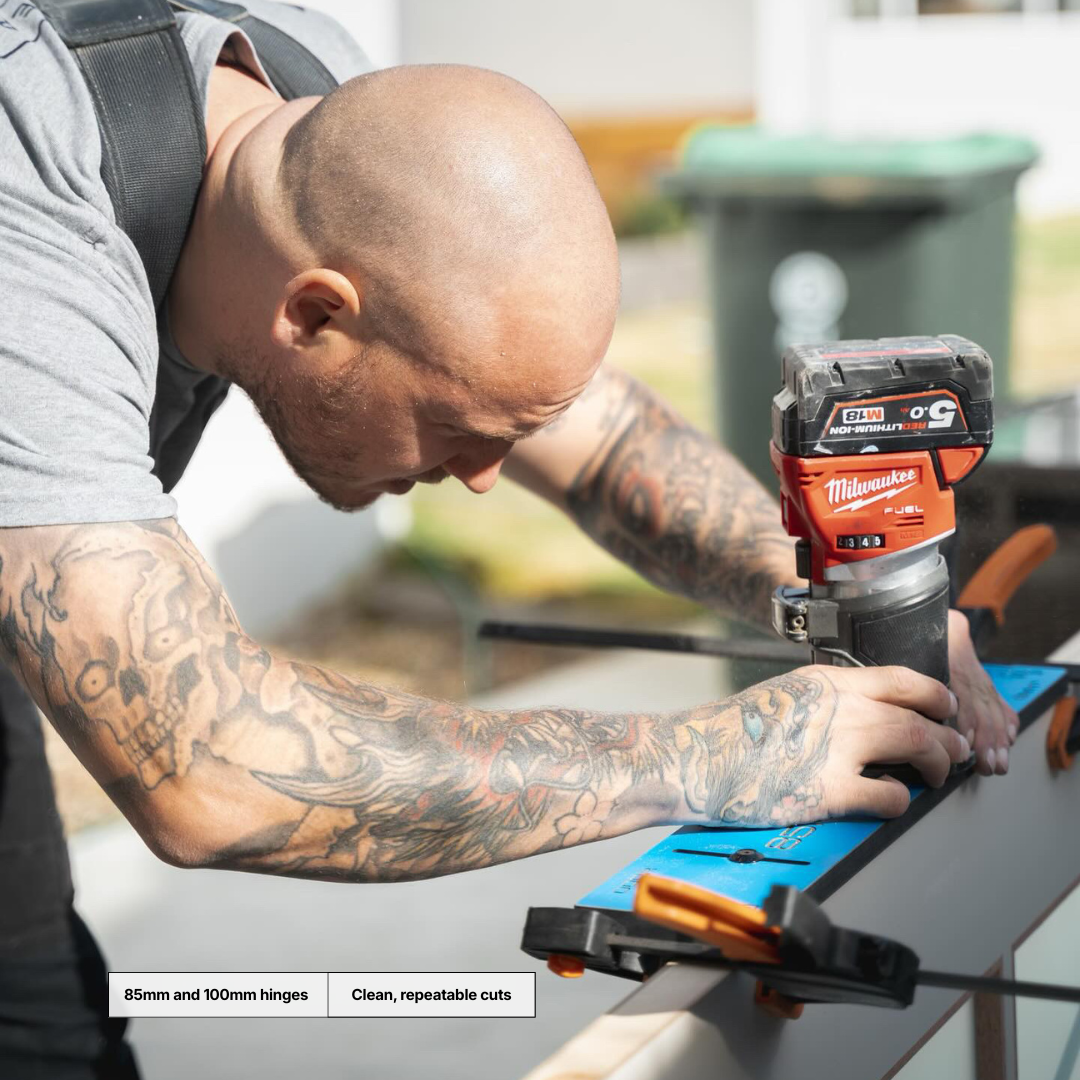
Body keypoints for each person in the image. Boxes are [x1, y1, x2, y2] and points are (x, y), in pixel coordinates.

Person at [0, 1, 1017, 1075]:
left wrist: (841, 595)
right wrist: (725, 754)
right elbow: (208, 769)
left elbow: (595, 438)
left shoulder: (324, 112)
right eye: (455, 433)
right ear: (311, 316)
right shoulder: (31, 224)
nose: (487, 479)